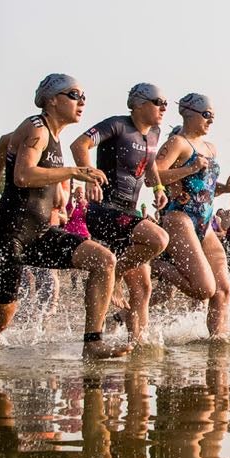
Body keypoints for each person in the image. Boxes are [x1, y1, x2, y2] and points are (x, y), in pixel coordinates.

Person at [0, 74, 129, 359]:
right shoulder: (37, 128)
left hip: (38, 233)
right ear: (52, 100)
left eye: (84, 96)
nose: (81, 102)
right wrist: (74, 171)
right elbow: (23, 176)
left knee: (103, 260)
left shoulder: (51, 134)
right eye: (74, 95)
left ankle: (93, 342)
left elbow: (3, 145)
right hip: (6, 237)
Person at [70, 83, 170, 342]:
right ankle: (116, 275)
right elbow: (78, 145)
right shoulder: (117, 125)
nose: (164, 107)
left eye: (165, 103)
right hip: (105, 208)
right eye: (158, 101)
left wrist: (158, 186)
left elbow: (150, 164)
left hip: (128, 210)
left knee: (143, 288)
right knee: (158, 239)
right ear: (138, 104)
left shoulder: (155, 133)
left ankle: (137, 344)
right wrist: (90, 177)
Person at [152, 94, 230, 337]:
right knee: (204, 288)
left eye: (213, 116)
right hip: (179, 217)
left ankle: (218, 341)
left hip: (204, 222)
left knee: (223, 289)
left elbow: (206, 190)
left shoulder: (210, 148)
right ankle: (157, 265)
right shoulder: (178, 142)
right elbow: (153, 175)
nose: (210, 121)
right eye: (206, 115)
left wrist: (228, 188)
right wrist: (190, 168)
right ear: (188, 113)